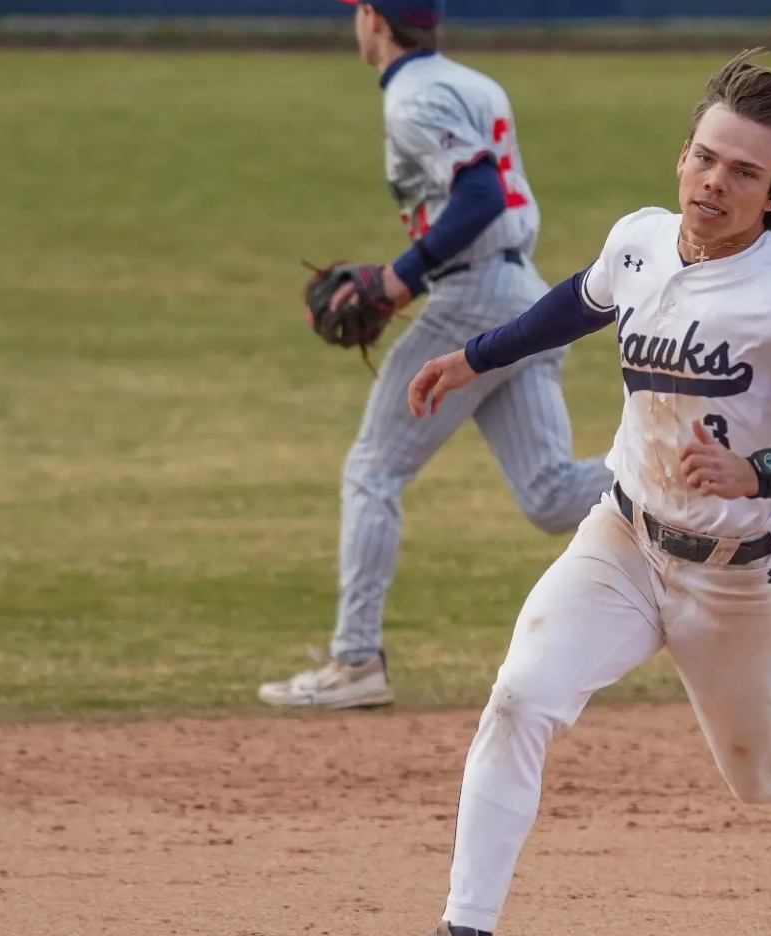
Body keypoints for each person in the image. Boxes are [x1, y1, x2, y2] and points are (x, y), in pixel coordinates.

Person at [378, 49, 771, 936]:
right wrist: (469, 357)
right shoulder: (642, 242)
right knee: (518, 700)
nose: (714, 182)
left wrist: (769, 473)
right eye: (705, 158)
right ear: (682, 156)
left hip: (743, 582)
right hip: (621, 541)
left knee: (765, 776)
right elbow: (578, 304)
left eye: (743, 172)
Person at [260, 0, 613, 710]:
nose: (355, 22)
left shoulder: (412, 99)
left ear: (378, 21)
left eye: (359, 10)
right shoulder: (473, 82)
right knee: (548, 494)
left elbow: (479, 195)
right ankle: (724, 471)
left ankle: (355, 661)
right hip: (524, 292)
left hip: (476, 297)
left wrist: (398, 278)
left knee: (371, 471)